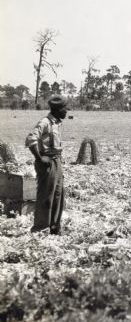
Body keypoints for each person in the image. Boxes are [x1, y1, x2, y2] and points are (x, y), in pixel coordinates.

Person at [25, 94, 68, 234]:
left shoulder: (57, 123)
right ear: (57, 109)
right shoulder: (45, 122)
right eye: (64, 109)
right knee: (46, 197)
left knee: (58, 195)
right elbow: (31, 140)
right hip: (47, 163)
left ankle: (54, 228)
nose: (66, 111)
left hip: (57, 161)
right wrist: (39, 158)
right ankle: (40, 230)